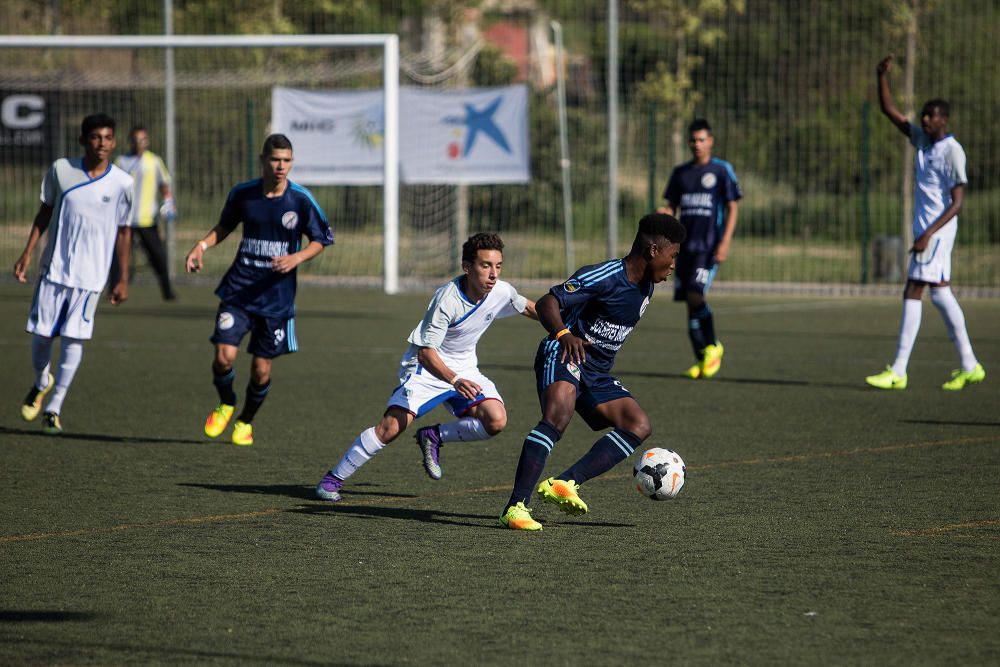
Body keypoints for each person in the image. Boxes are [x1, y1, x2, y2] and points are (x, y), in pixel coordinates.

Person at [315, 232, 538, 502]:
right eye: (485, 265)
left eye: (498, 266)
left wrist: (563, 332)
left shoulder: (501, 291)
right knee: (391, 427)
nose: (493, 274)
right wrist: (454, 380)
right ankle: (331, 480)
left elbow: (529, 308)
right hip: (427, 368)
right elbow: (425, 354)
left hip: (464, 368)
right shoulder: (447, 299)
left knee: (496, 420)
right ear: (467, 267)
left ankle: (434, 436)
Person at [499, 213, 685, 531]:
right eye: (673, 256)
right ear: (654, 250)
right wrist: (564, 335)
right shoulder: (606, 275)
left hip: (596, 371)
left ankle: (566, 483)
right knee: (557, 416)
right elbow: (548, 303)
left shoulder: (647, 288)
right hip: (563, 353)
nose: (672, 265)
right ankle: (515, 507)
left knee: (638, 425)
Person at [185, 133, 334, 445]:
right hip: (238, 291)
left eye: (286, 161)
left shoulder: (301, 200)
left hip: (276, 299)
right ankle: (226, 402)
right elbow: (224, 227)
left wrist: (297, 257)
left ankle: (245, 420)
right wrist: (200, 247)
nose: (281, 166)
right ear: (263, 160)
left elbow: (322, 239)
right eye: (275, 160)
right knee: (224, 357)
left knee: (261, 371)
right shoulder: (244, 194)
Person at [865, 55, 985, 391]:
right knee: (940, 294)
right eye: (924, 115)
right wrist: (881, 77)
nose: (925, 119)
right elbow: (890, 112)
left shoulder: (952, 151)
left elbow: (958, 202)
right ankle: (970, 364)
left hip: (938, 231)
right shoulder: (921, 141)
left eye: (931, 116)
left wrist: (928, 234)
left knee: (913, 289)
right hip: (929, 232)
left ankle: (899, 370)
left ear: (944, 120)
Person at [13, 112, 134, 434]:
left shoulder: (123, 183)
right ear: (83, 140)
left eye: (108, 137)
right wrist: (27, 252)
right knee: (41, 335)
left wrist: (121, 278)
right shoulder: (61, 170)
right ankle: (42, 382)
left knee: (74, 339)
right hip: (54, 271)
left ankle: (54, 407)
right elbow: (45, 212)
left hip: (91, 277)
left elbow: (124, 231)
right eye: (96, 137)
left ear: (114, 141)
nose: (102, 143)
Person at [658, 118, 742, 379]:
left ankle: (713, 346)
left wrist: (725, 241)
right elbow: (671, 206)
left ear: (711, 141)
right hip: (683, 248)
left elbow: (732, 207)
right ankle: (701, 358)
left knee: (696, 294)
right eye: (693, 140)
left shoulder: (720, 171)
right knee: (688, 303)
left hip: (708, 247)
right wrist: (666, 213)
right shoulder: (681, 173)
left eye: (702, 139)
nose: (697, 144)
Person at [111, 125, 177, 301]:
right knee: (119, 258)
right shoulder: (121, 161)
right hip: (125, 220)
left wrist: (168, 202)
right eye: (136, 140)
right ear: (131, 141)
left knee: (159, 257)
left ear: (147, 141)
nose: (140, 144)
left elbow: (164, 185)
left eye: (143, 140)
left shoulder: (154, 161)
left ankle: (168, 293)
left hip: (147, 219)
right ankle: (114, 290)